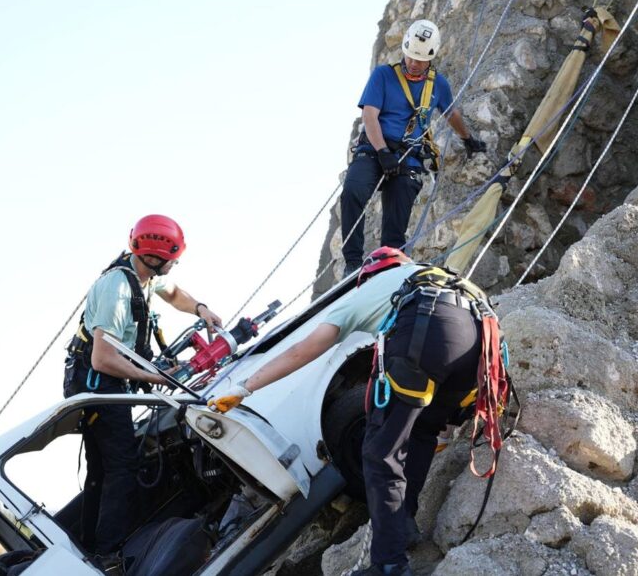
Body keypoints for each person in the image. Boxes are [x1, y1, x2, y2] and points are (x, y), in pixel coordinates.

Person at [208, 247, 504, 576]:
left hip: (429, 324)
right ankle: (402, 523)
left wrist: (245, 387)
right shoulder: (437, 276)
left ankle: (389, 564)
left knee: (380, 453)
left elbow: (305, 349)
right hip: (481, 341)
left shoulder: (372, 289)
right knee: (421, 431)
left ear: (369, 275)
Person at [63, 214, 222, 567]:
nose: (175, 263)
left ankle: (91, 545)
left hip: (103, 381)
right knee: (122, 467)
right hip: (99, 383)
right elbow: (103, 358)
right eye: (172, 258)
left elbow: (175, 293)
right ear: (155, 257)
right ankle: (108, 554)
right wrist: (156, 379)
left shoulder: (144, 275)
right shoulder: (117, 289)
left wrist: (201, 309)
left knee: (102, 470)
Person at [339, 19, 486, 276]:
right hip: (375, 149)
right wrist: (383, 151)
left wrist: (468, 139)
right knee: (353, 190)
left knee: (397, 215)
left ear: (431, 57)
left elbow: (451, 114)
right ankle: (352, 262)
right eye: (410, 57)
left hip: (408, 158)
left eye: (419, 60)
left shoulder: (438, 85)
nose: (413, 63)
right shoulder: (384, 75)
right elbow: (370, 116)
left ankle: (389, 268)